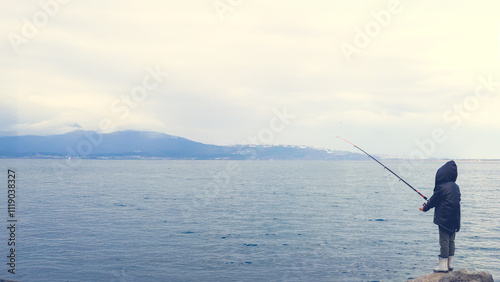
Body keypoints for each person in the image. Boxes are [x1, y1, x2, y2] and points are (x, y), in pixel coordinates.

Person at [419, 160, 461, 273]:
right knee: (451, 241)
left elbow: (433, 201)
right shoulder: (456, 186)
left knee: (444, 241)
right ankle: (450, 264)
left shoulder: (441, 187)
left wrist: (424, 208)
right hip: (455, 219)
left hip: (444, 219)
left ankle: (443, 266)